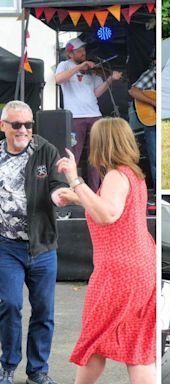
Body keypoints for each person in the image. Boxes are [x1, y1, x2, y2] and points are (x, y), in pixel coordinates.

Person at [55, 117, 156, 384]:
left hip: (118, 272)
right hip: (143, 266)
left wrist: (75, 180)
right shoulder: (133, 174)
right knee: (137, 348)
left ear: (101, 144)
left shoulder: (114, 175)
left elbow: (108, 214)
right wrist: (77, 196)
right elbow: (113, 207)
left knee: (94, 338)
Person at [0, 101, 70, 384]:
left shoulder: (45, 150)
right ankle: (7, 365)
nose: (23, 130)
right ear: (3, 125)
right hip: (7, 245)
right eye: (16, 124)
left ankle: (37, 370)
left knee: (44, 311)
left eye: (28, 124)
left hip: (42, 246)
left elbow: (56, 184)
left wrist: (59, 195)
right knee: (9, 304)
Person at [55, 37, 123, 192]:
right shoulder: (64, 65)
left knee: (96, 155)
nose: (83, 53)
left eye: (84, 50)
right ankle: (69, 189)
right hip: (75, 116)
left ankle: (95, 190)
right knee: (74, 154)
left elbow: (97, 92)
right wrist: (79, 67)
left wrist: (111, 79)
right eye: (79, 51)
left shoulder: (92, 72)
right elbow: (58, 80)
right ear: (70, 53)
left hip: (94, 115)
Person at [128, 59, 156, 194]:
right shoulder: (152, 74)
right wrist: (154, 102)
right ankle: (158, 190)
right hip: (152, 121)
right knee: (155, 157)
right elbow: (133, 91)